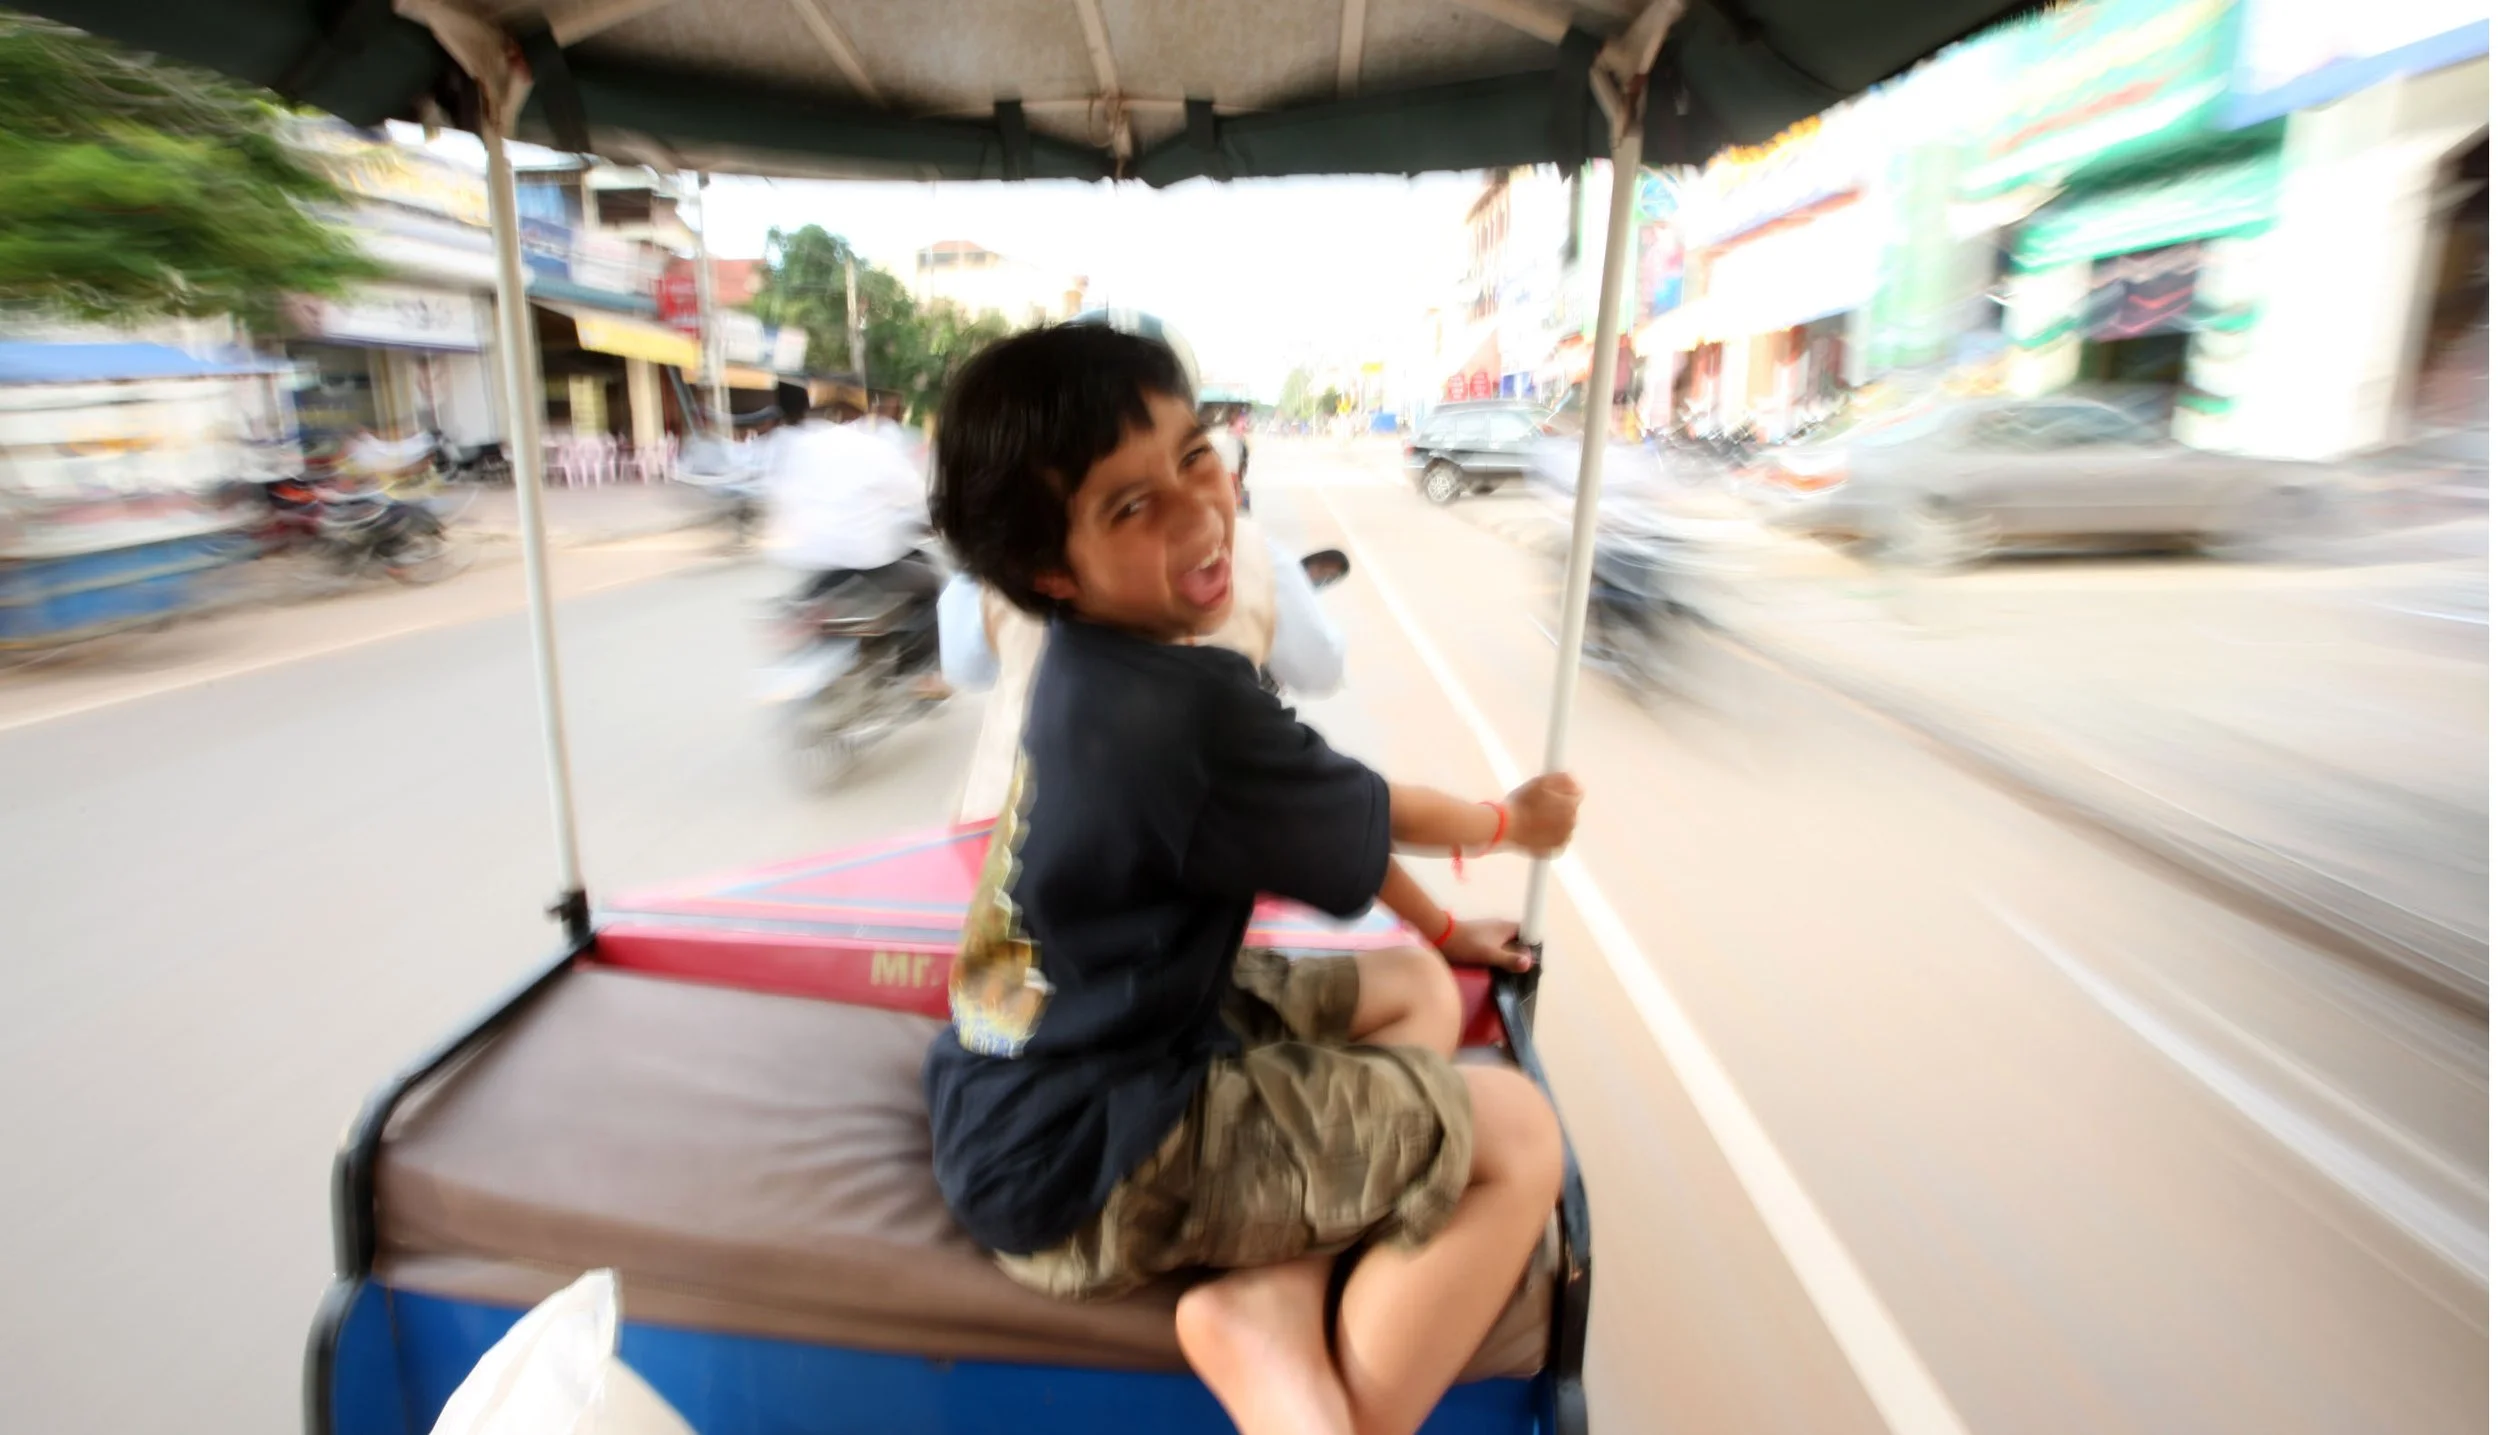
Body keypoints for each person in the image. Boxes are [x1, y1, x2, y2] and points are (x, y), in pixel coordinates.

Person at [924, 322, 1581, 1435]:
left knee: (1413, 989)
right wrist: (1509, 822)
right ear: (1053, 574)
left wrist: (1440, 932)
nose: (1197, 511)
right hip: (1093, 1166)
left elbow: (1329, 816)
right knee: (1521, 1137)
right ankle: (1339, 1410)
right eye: (1131, 506)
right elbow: (1380, 808)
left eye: (1194, 456)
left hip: (1038, 1081)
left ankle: (1274, 1285)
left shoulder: (1099, 662)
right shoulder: (1180, 710)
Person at [760, 380, 945, 688]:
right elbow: (914, 497)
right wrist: (925, 519)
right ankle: (917, 675)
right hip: (864, 564)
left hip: (811, 566)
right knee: (934, 587)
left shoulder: (796, 445)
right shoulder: (874, 446)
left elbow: (777, 499)